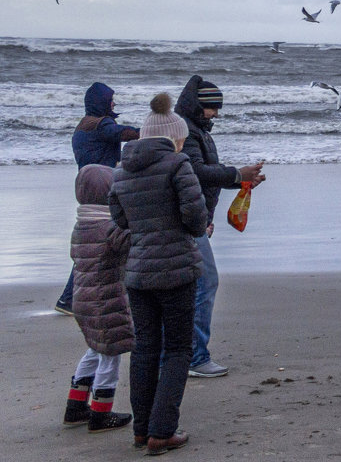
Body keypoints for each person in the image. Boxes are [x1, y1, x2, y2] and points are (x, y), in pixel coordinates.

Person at [109, 93, 207, 455]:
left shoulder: (121, 170)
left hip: (138, 272)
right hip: (177, 268)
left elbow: (120, 220)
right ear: (172, 137)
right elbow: (196, 219)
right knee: (178, 348)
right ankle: (162, 431)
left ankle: (141, 429)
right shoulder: (177, 164)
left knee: (145, 349)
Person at [174, 75, 264, 378]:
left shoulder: (196, 129)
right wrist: (237, 175)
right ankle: (195, 358)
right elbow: (196, 173)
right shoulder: (187, 131)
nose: (216, 113)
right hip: (189, 220)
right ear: (200, 106)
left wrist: (242, 179)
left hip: (196, 218)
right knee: (205, 282)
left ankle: (181, 355)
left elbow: (205, 175)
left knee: (193, 286)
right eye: (213, 108)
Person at [62, 164, 134, 434]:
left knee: (94, 349)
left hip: (83, 300)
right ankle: (101, 412)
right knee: (110, 355)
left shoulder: (81, 226)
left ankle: (75, 405)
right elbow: (129, 244)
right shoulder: (108, 227)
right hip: (106, 299)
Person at [58, 83, 140, 315]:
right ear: (101, 102)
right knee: (108, 243)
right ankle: (70, 299)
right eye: (111, 99)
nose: (114, 103)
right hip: (105, 190)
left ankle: (70, 299)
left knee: (95, 244)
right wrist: (152, 133)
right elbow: (121, 133)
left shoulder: (82, 127)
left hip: (87, 188)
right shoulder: (102, 124)